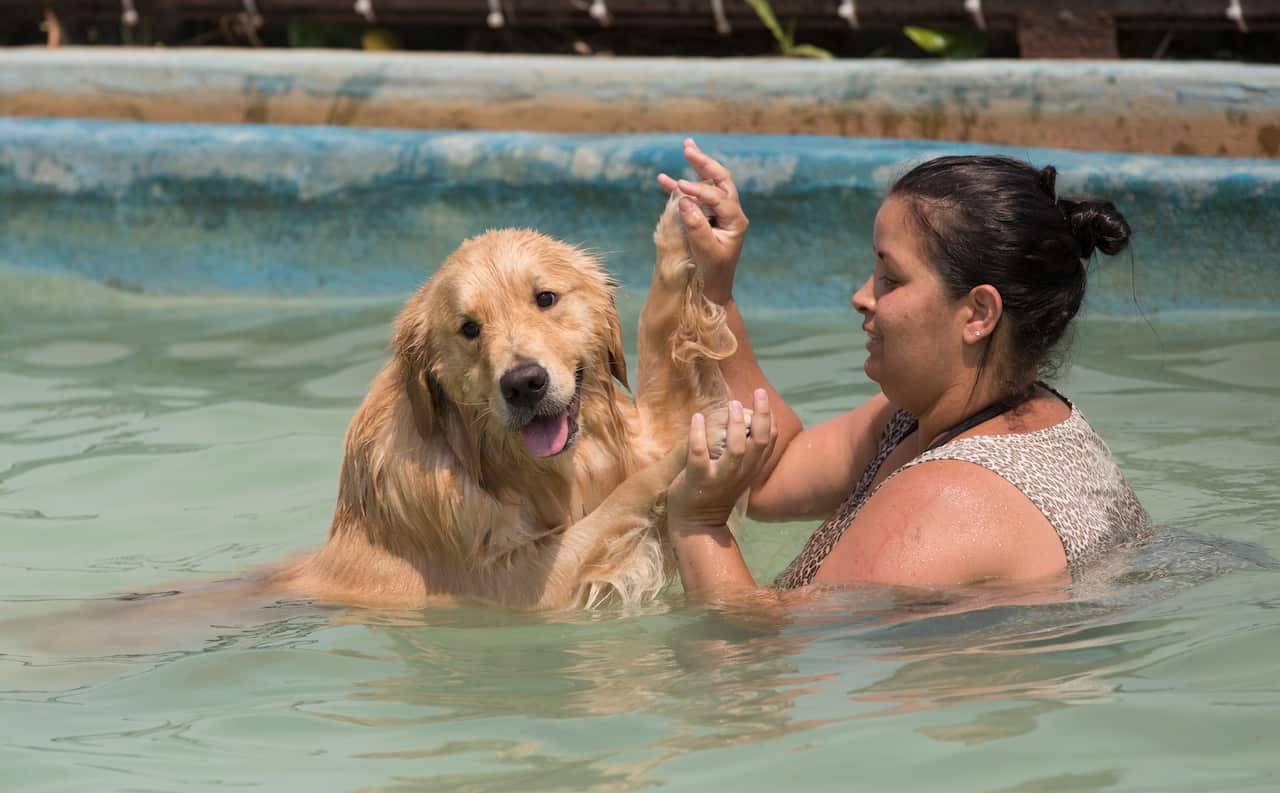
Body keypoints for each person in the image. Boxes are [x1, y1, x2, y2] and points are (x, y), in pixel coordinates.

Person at [655, 138, 1151, 602]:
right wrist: (716, 290)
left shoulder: (947, 500)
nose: (862, 297)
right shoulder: (977, 416)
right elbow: (771, 474)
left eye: (891, 279)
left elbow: (765, 657)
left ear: (979, 314)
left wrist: (699, 524)